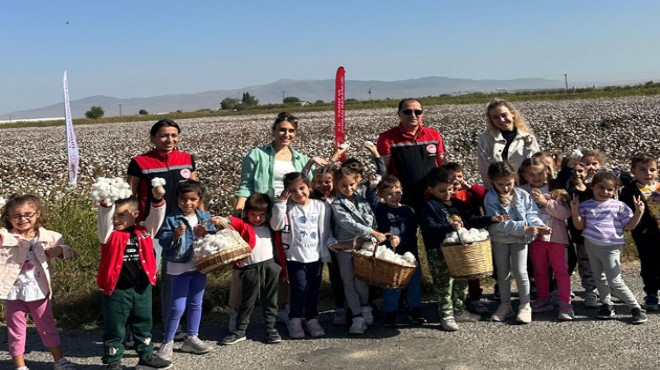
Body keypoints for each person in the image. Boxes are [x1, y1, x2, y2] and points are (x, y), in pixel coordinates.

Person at [234, 111, 327, 322]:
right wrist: (239, 213)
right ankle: (236, 312)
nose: (286, 134)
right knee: (247, 263)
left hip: (289, 217)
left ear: (296, 133)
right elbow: (245, 185)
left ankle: (283, 309)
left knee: (286, 264)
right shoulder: (256, 154)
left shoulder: (301, 158)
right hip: (260, 214)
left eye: (291, 131)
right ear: (274, 131)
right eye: (282, 129)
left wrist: (311, 164)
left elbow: (306, 186)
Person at [127, 118, 198, 342]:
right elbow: (130, 197)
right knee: (143, 277)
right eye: (164, 135)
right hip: (150, 228)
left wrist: (201, 219)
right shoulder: (139, 162)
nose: (169, 139)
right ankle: (134, 330)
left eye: (174, 135)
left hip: (180, 228)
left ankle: (172, 327)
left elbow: (196, 192)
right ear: (153, 138)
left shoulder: (187, 159)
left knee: (172, 279)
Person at [96, 188, 172, 370]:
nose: (116, 220)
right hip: (116, 289)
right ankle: (113, 360)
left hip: (141, 288)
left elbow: (156, 217)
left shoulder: (144, 231)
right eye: (113, 215)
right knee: (115, 325)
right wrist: (106, 203)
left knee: (143, 322)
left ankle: (146, 356)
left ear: (135, 215)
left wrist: (157, 199)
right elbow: (104, 219)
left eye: (121, 215)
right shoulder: (108, 234)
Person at [0, 195, 77, 370]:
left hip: (40, 292)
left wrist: (58, 250)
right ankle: (20, 366)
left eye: (28, 214)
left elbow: (68, 251)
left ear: (37, 214)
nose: (23, 219)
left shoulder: (49, 236)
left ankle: (59, 360)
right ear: (7, 218)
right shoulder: (5, 236)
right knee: (15, 331)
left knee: (47, 327)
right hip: (12, 293)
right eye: (16, 216)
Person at [420, 168, 502, 331]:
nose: (447, 193)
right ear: (431, 189)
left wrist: (490, 219)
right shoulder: (429, 206)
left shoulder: (458, 204)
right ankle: (446, 315)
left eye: (450, 189)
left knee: (461, 279)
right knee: (444, 283)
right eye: (442, 191)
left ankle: (458, 310)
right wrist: (448, 227)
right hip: (439, 250)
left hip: (459, 250)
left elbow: (471, 219)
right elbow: (429, 227)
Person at [570, 171, 647, 324]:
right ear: (592, 186)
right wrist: (574, 210)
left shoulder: (619, 206)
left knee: (615, 280)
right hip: (591, 245)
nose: (605, 192)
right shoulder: (586, 205)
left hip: (611, 247)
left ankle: (635, 307)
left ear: (615, 191)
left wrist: (638, 213)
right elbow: (579, 225)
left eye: (610, 189)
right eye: (601, 187)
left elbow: (629, 226)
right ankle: (607, 305)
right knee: (599, 277)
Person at [270, 172, 334, 338]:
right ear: (287, 192)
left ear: (309, 187)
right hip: (295, 258)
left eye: (302, 188)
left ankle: (312, 318)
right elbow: (275, 225)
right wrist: (281, 204)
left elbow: (325, 230)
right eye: (293, 191)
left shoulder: (320, 206)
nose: (299, 193)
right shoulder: (287, 207)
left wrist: (324, 253)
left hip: (315, 257)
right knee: (299, 289)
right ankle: (295, 319)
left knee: (313, 289)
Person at [484, 162, 550, 324]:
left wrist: (538, 225)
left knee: (521, 272)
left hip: (520, 239)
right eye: (501, 185)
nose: (505, 188)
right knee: (503, 272)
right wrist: (524, 227)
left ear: (514, 179)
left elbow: (532, 212)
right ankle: (505, 305)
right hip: (500, 238)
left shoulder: (522, 194)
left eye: (509, 184)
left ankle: (525, 305)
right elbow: (498, 223)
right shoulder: (490, 197)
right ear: (492, 181)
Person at [156, 181, 214, 361]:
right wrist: (175, 235)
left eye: (193, 199)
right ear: (178, 200)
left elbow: (214, 236)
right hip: (179, 265)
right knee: (177, 306)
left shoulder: (205, 216)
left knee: (197, 303)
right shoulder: (171, 219)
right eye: (183, 199)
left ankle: (192, 337)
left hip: (200, 265)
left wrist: (207, 231)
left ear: (199, 200)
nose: (188, 203)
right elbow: (163, 241)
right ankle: (168, 341)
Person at [330, 167, 390, 335]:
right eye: (343, 186)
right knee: (348, 281)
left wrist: (373, 234)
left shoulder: (362, 200)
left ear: (357, 183)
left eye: (351, 185)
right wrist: (371, 232)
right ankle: (356, 316)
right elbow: (347, 223)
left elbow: (371, 219)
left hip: (363, 244)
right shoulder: (336, 204)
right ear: (336, 185)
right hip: (345, 246)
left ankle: (365, 307)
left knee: (361, 279)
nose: (348, 189)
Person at [221, 193, 285, 345]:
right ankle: (240, 329)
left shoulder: (271, 226)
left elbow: (279, 218)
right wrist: (223, 219)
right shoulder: (244, 226)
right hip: (250, 268)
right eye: (253, 215)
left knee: (271, 299)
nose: (258, 218)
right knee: (247, 300)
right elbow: (233, 222)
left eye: (262, 214)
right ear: (246, 213)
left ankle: (271, 328)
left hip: (270, 266)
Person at [518, 157, 573, 320]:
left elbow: (565, 213)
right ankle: (543, 298)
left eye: (540, 173)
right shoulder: (522, 191)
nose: (536, 177)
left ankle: (565, 302)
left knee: (561, 271)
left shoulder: (557, 190)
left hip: (557, 238)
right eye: (531, 174)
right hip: (535, 238)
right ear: (524, 175)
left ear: (547, 172)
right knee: (539, 271)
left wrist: (545, 202)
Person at [373, 175, 424, 327]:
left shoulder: (408, 211)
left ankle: (414, 309)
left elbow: (411, 231)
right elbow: (379, 228)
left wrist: (401, 238)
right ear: (381, 195)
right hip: (390, 256)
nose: (394, 197)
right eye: (389, 194)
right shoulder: (379, 210)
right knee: (392, 283)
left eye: (397, 192)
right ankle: (390, 312)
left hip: (409, 254)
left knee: (414, 282)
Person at [377, 98, 445, 210]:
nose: (413, 115)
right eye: (407, 112)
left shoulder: (434, 135)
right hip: (403, 196)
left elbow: (442, 163)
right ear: (399, 114)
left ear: (422, 114)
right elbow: (384, 170)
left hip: (432, 194)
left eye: (417, 112)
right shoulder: (386, 138)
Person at [442, 162, 489, 313]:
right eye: (452, 177)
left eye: (460, 176)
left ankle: (475, 297)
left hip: (470, 238)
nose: (457, 180)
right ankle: (455, 300)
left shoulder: (468, 194)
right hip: (451, 238)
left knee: (472, 269)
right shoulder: (445, 195)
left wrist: (468, 186)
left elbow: (484, 196)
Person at [620, 153, 660, 311]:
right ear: (633, 171)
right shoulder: (630, 190)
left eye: (652, 169)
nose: (648, 173)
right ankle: (651, 293)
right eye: (642, 170)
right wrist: (640, 227)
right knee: (649, 262)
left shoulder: (658, 187)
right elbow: (625, 210)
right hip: (645, 234)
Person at [309, 165, 347, 325]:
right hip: (314, 243)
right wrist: (309, 164)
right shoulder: (311, 199)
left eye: (327, 181)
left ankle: (341, 307)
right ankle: (309, 312)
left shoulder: (339, 198)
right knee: (313, 278)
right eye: (319, 182)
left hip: (335, 243)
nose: (323, 185)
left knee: (338, 276)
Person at [477, 99, 540, 187]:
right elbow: (484, 170)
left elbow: (537, 166)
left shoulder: (528, 138)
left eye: (504, 115)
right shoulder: (485, 140)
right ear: (491, 120)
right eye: (496, 117)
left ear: (512, 114)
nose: (501, 120)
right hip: (499, 190)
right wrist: (492, 192)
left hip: (526, 190)